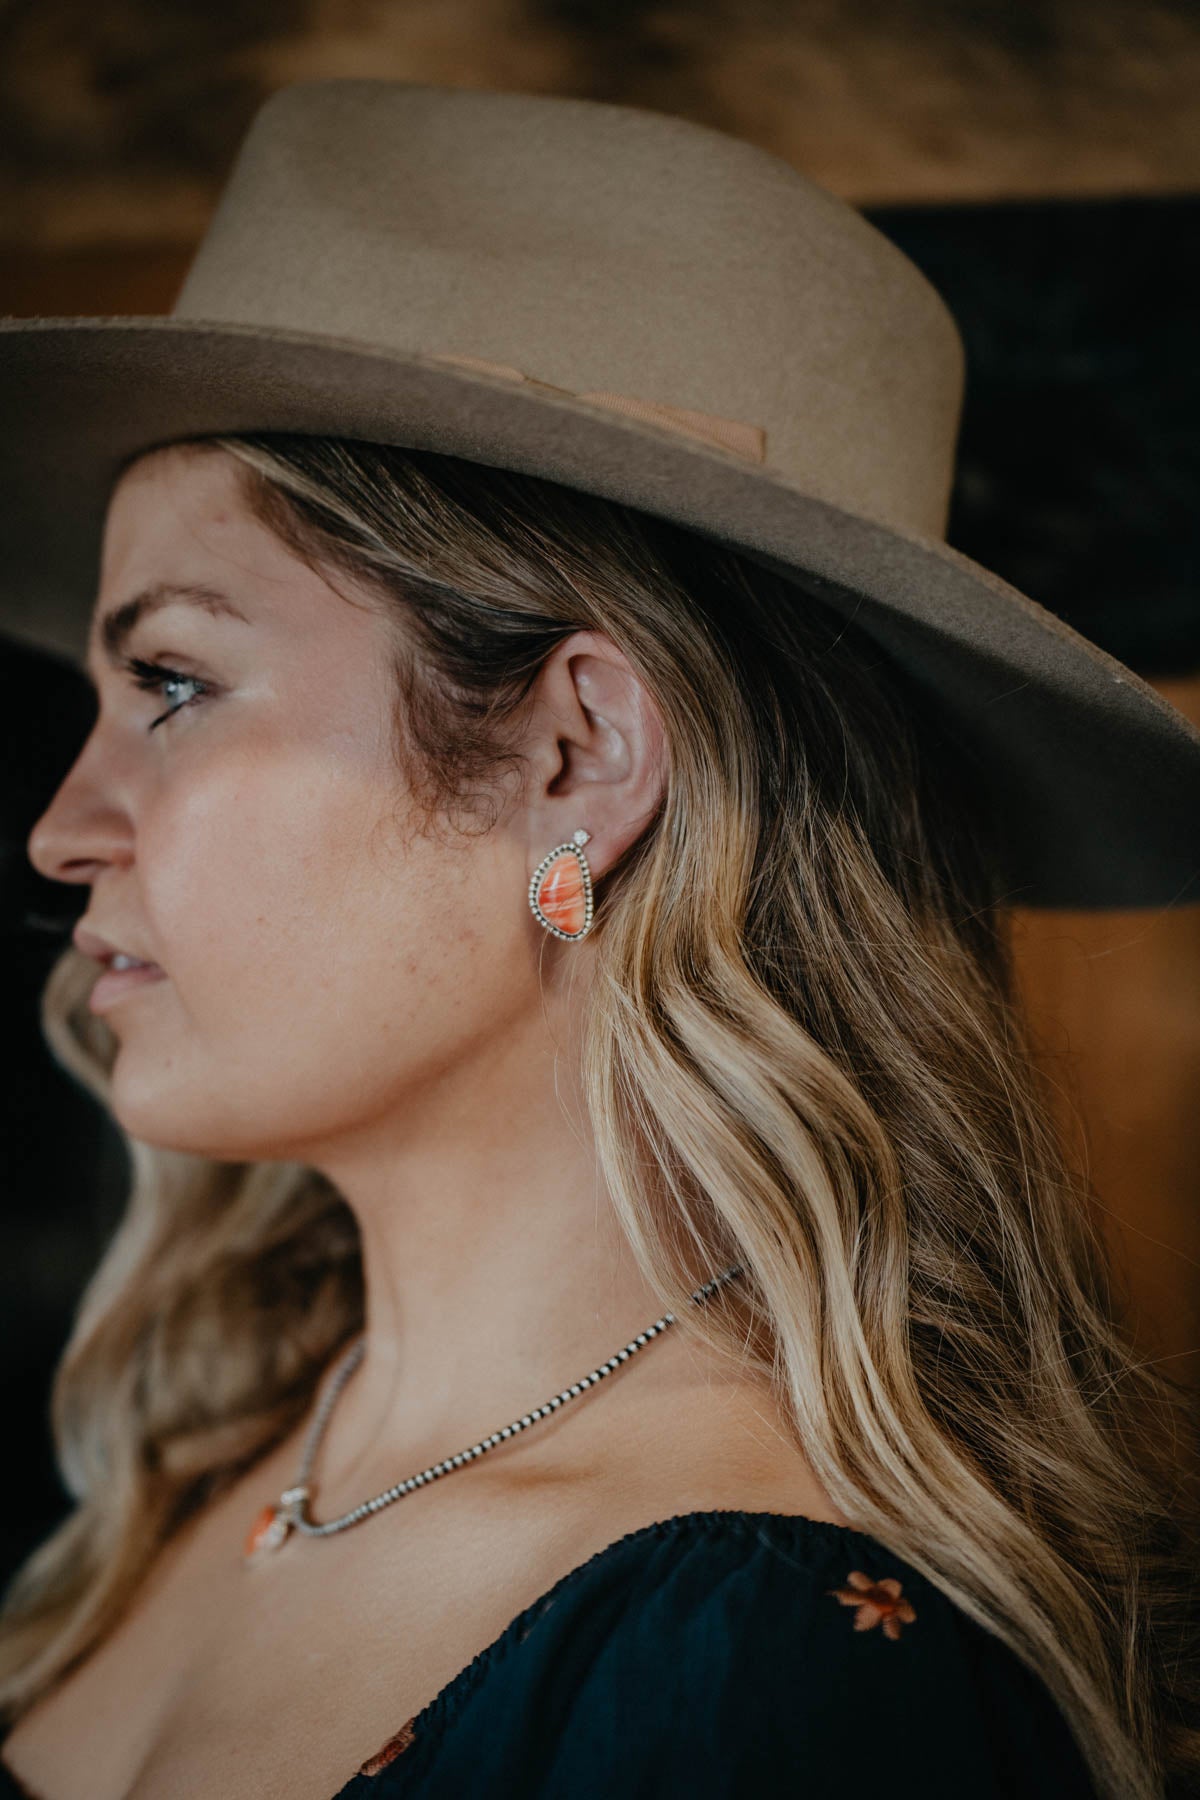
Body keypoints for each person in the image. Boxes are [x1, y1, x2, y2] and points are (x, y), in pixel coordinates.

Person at [0, 78, 1197, 1800]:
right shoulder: (210, 1460)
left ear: (578, 755)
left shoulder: (768, 1671)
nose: (61, 830)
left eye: (174, 682)